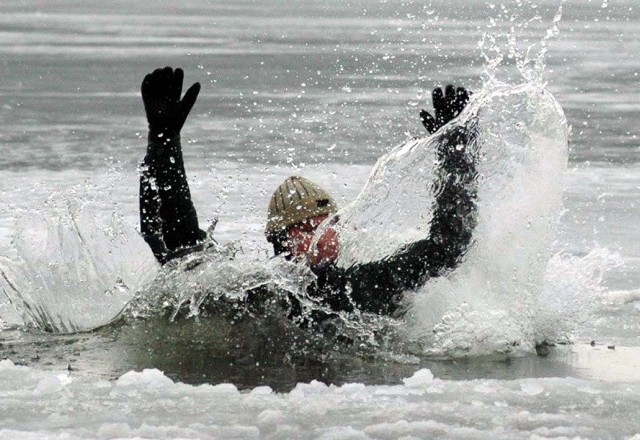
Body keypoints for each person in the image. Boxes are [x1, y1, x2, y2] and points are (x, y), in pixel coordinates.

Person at [139, 66, 477, 326]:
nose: (318, 236)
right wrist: (163, 141)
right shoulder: (255, 291)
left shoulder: (364, 286)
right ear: (279, 243)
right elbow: (177, 245)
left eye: (324, 224)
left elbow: (447, 246)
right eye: (302, 229)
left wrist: (455, 151)